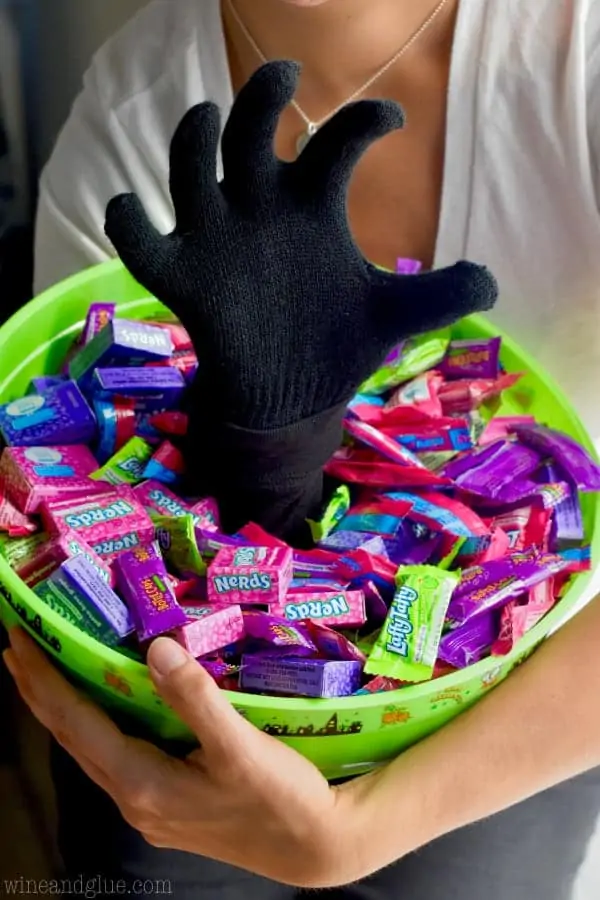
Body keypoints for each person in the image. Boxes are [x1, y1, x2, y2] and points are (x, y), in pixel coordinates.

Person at [8, 0, 600, 897]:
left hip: (537, 698)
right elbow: (76, 456)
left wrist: (363, 830)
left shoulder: (579, 66)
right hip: (178, 718)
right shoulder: (137, 107)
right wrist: (260, 429)